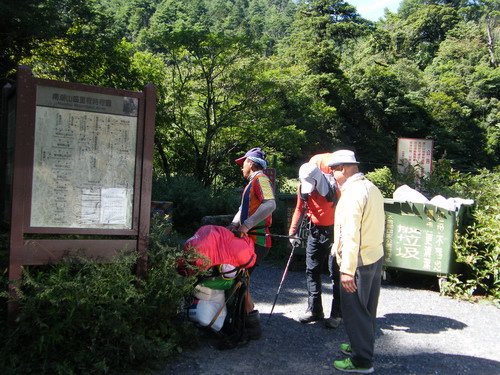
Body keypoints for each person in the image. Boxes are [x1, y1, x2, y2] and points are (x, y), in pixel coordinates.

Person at [328, 150, 385, 374]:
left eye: (333, 170)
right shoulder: (371, 187)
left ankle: (362, 361)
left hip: (357, 261)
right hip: (374, 256)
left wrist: (347, 271)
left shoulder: (352, 194)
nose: (332, 175)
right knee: (368, 308)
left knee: (355, 310)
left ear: (343, 169)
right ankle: (360, 344)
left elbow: (351, 234)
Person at [288, 155, 342, 328]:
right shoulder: (303, 189)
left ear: (318, 177)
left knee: (336, 274)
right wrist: (293, 232)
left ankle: (337, 314)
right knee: (312, 270)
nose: (310, 189)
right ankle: (314, 310)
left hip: (336, 232)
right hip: (315, 231)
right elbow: (299, 209)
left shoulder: (336, 188)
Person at [228, 147, 276, 340]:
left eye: (243, 163)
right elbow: (243, 208)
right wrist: (233, 224)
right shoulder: (252, 183)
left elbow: (270, 204)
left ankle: (250, 325)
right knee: (240, 279)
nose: (241, 168)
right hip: (252, 238)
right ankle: (245, 320)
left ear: (251, 163)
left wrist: (246, 225)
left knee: (240, 280)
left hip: (258, 239)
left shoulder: (261, 179)